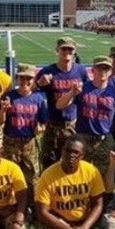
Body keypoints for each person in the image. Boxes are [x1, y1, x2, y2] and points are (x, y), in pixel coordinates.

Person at [55, 55, 115, 176]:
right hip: (83, 137)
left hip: (104, 138)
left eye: (106, 69)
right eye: (99, 68)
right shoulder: (82, 88)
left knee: (103, 173)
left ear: (110, 71)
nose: (102, 72)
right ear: (93, 70)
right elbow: (59, 105)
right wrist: (72, 93)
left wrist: (111, 129)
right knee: (78, 171)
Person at [0, 63, 48, 200]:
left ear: (34, 80)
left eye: (29, 79)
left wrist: (40, 129)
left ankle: (33, 206)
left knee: (32, 176)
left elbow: (44, 122)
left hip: (29, 143)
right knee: (9, 175)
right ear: (17, 79)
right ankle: (11, 205)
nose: (25, 82)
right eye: (22, 78)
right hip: (11, 142)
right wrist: (3, 111)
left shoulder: (38, 99)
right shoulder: (8, 96)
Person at [35, 37, 89, 168]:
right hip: (52, 123)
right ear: (57, 50)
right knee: (49, 161)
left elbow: (87, 95)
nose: (67, 52)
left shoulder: (81, 71)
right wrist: (38, 83)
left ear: (74, 51)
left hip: (72, 124)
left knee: (71, 162)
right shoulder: (47, 71)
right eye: (64, 48)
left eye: (70, 49)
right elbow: (31, 95)